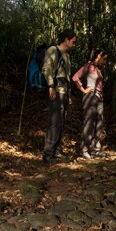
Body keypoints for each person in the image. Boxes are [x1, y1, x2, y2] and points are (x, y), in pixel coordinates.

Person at [41, 29, 77, 163]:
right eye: (73, 41)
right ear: (66, 40)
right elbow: (47, 68)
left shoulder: (67, 55)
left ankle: (56, 151)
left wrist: (69, 95)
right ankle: (48, 153)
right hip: (56, 91)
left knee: (61, 123)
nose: (74, 44)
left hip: (64, 93)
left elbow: (66, 77)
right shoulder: (53, 50)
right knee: (54, 123)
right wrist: (51, 86)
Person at [72, 48, 108, 159]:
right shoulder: (88, 66)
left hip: (99, 99)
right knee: (89, 124)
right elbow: (75, 77)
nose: (104, 61)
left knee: (98, 123)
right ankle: (84, 150)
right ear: (98, 57)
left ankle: (95, 149)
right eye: (104, 59)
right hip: (90, 98)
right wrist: (83, 90)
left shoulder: (98, 69)